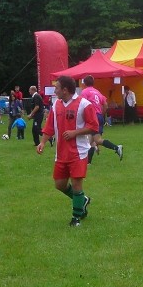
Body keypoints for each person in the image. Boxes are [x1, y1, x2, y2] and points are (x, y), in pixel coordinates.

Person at [37, 75, 99, 227]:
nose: (55, 90)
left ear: (65, 90)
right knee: (59, 184)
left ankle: (76, 218)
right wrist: (43, 142)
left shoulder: (84, 104)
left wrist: (75, 132)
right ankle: (82, 201)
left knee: (77, 184)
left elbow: (94, 126)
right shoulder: (55, 105)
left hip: (79, 152)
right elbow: (50, 126)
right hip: (61, 153)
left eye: (57, 88)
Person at [80, 75, 123, 163]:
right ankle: (88, 162)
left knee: (97, 140)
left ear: (84, 83)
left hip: (92, 116)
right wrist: (101, 114)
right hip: (99, 116)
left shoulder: (84, 92)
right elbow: (106, 105)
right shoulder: (97, 92)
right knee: (91, 140)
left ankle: (117, 147)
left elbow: (82, 105)